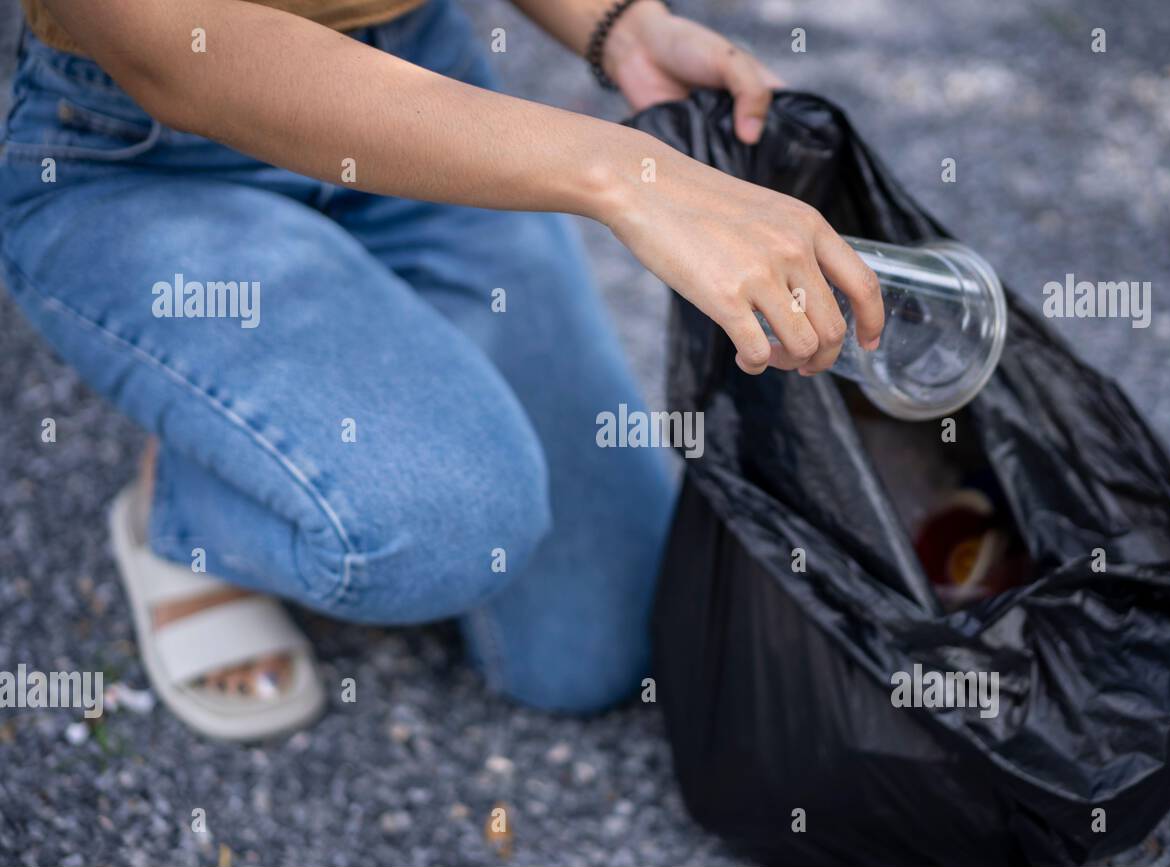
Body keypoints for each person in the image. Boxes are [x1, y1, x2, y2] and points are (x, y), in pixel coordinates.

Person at [0, 0, 884, 740]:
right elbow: (179, 52)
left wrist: (619, 24)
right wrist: (623, 174)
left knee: (598, 650)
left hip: (421, 97)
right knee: (440, 527)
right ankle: (182, 507)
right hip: (148, 153)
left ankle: (334, 375)